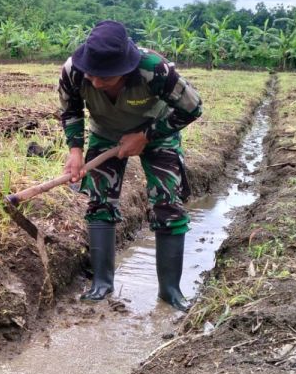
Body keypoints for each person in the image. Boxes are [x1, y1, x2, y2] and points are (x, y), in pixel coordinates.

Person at [58, 20, 203, 310]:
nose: (96, 82)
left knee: (168, 203)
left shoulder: (155, 70)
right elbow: (71, 110)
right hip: (105, 132)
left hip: (157, 132)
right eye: (92, 74)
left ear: (125, 69)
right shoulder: (73, 70)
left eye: (105, 77)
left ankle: (170, 291)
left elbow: (192, 108)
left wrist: (146, 136)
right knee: (99, 201)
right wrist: (75, 151)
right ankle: (101, 284)